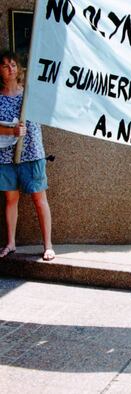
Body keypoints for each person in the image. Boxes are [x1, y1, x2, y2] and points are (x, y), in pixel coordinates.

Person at [0, 50, 54, 261]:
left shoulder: (30, 94)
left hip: (32, 154)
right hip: (5, 157)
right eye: (5, 66)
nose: (10, 69)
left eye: (13, 64)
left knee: (39, 198)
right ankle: (11, 243)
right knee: (10, 199)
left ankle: (48, 244)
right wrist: (10, 131)